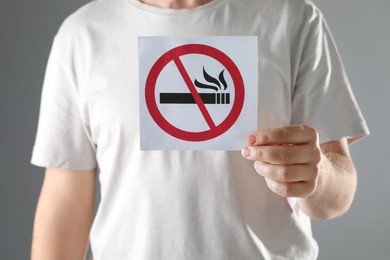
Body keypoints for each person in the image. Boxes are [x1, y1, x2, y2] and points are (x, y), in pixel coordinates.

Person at [30, 0, 369, 259]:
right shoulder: (83, 34)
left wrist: (317, 174)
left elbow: (338, 193)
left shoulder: (292, 16)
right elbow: (65, 199)